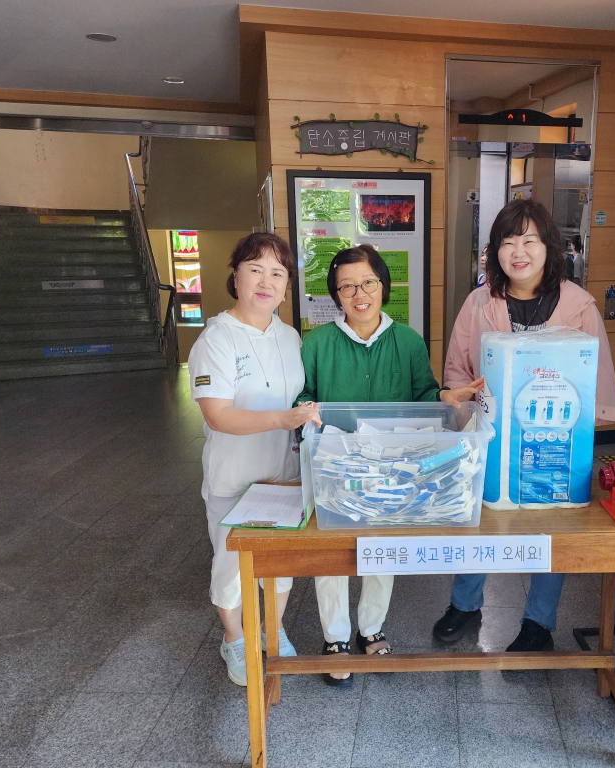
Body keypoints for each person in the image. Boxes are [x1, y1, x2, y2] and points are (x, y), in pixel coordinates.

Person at [431, 199, 615, 652]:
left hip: (553, 436)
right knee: (479, 516)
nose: (518, 251)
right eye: (508, 241)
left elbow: (597, 378)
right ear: (494, 250)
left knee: (551, 524)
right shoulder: (479, 303)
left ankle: (538, 622)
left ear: (549, 246)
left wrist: (582, 433)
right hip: (491, 435)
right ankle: (465, 605)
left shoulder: (579, 306)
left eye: (529, 240)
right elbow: (456, 369)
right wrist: (464, 411)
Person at [298, 244, 482, 685]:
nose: (359, 294)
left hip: (394, 468)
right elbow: (302, 395)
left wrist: (444, 398)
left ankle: (371, 628)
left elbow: (424, 397)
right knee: (331, 548)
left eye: (368, 283)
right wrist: (306, 411)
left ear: (383, 286)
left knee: (382, 545)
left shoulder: (408, 341)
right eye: (347, 286)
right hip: (335, 465)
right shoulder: (316, 343)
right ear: (336, 295)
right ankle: (335, 637)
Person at [188, 232, 321, 686]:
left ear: (287, 285)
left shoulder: (289, 336)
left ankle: (272, 629)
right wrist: (283, 420)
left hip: (282, 475)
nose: (267, 282)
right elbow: (217, 414)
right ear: (236, 276)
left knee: (278, 563)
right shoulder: (216, 338)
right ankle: (234, 638)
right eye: (256, 270)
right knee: (230, 564)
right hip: (234, 476)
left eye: (277, 273)